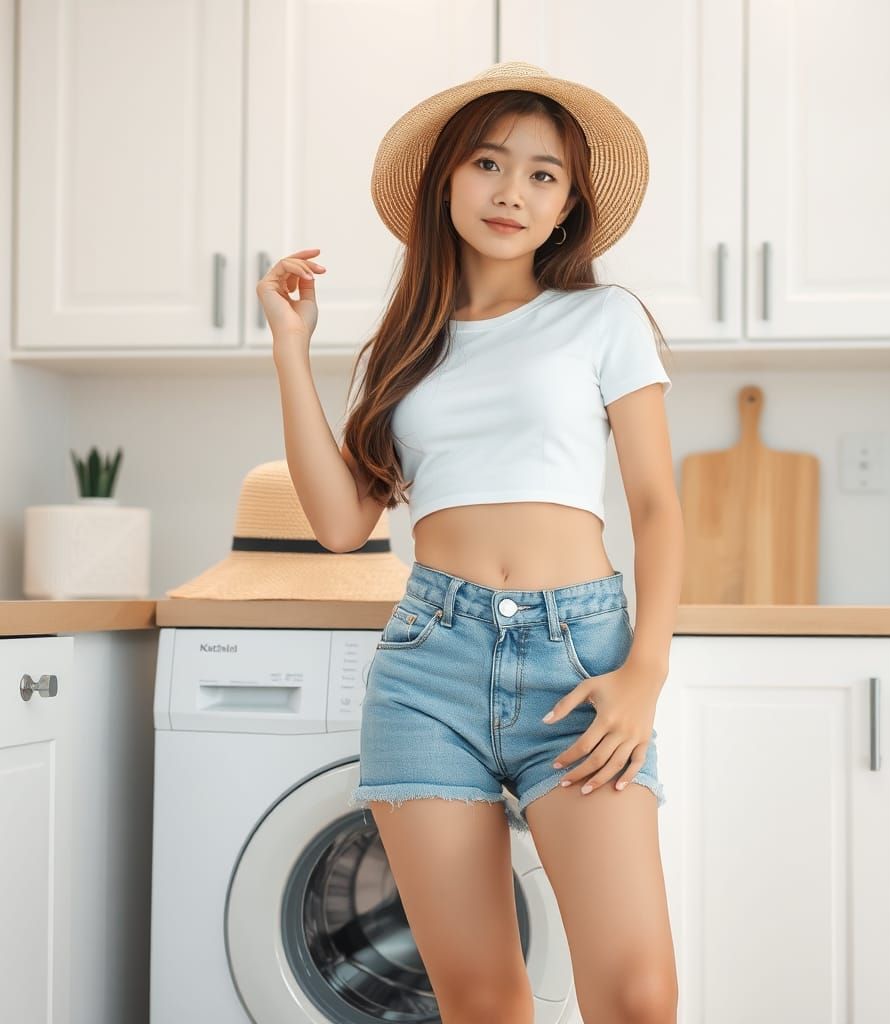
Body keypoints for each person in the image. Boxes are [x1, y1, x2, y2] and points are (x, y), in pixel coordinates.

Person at [258, 61, 683, 1024]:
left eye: (543, 175)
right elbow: (339, 524)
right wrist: (290, 347)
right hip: (427, 669)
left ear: (569, 205)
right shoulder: (408, 348)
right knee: (481, 1000)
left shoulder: (603, 319)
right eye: (489, 164)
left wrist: (646, 670)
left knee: (637, 996)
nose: (511, 192)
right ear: (447, 180)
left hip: (580, 659)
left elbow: (656, 506)